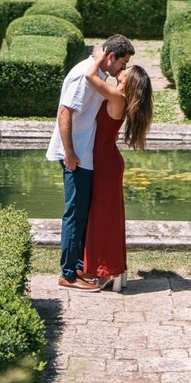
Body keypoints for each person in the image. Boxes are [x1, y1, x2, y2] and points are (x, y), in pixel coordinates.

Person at [46, 34, 134, 292]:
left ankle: (80, 267)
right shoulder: (84, 75)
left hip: (87, 156)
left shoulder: (99, 76)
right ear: (110, 57)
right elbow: (65, 113)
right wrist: (69, 153)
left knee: (82, 214)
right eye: (122, 63)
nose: (124, 68)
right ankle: (68, 275)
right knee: (74, 214)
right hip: (77, 156)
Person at [79, 59, 154, 291]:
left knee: (103, 217)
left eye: (126, 71)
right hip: (105, 160)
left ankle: (106, 271)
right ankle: (109, 268)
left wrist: (101, 57)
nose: (121, 70)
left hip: (105, 163)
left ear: (128, 81)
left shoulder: (117, 98)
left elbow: (90, 77)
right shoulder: (117, 97)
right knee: (104, 216)